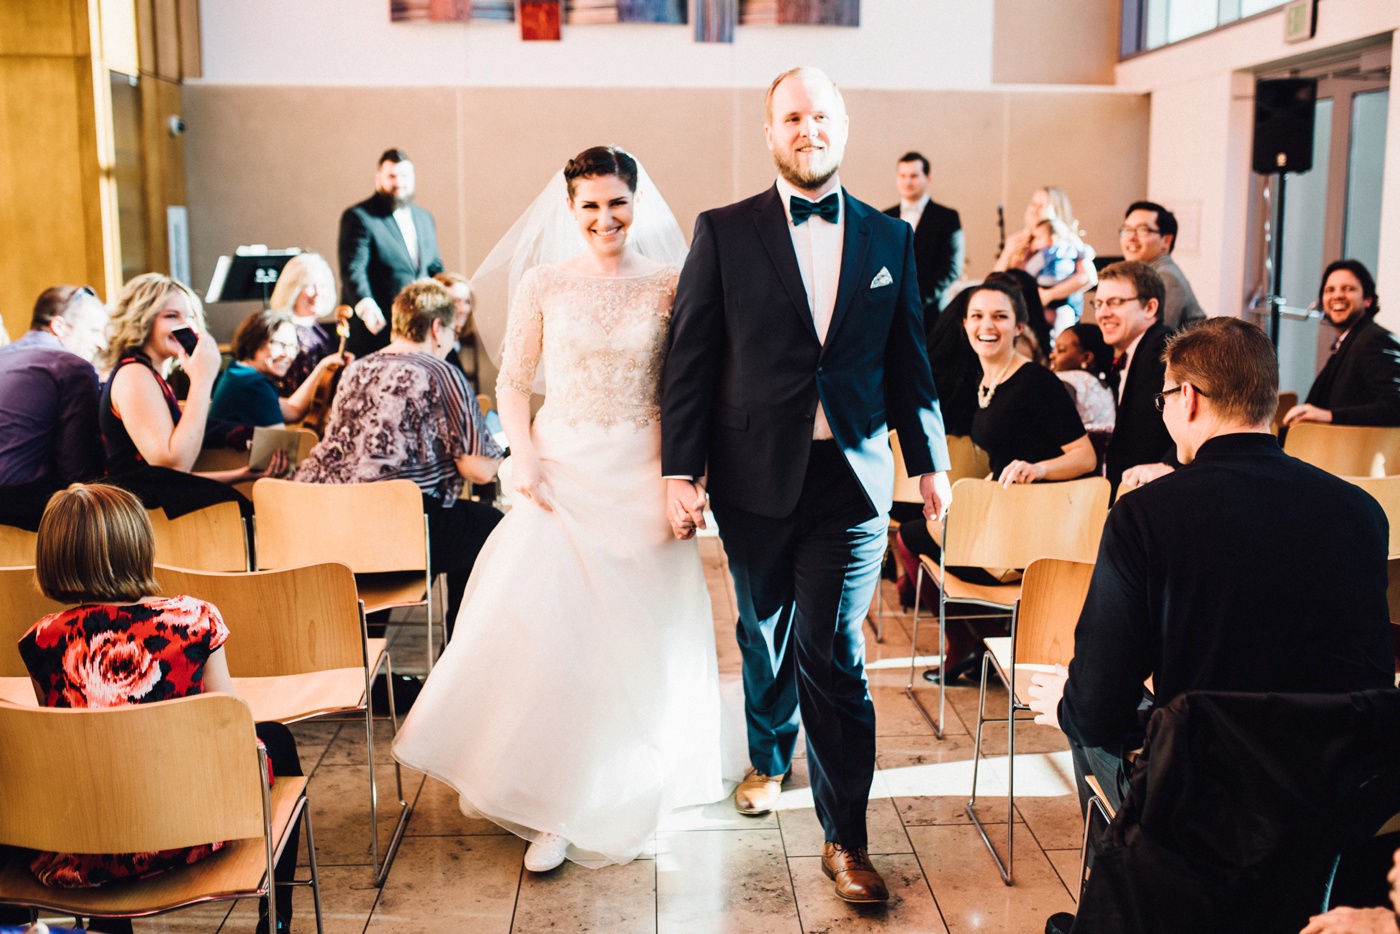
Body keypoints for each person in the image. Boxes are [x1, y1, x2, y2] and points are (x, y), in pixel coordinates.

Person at [393, 146, 734, 875]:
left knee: (640, 633)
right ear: (569, 207)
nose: (604, 218)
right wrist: (526, 458)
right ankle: (550, 805)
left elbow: (693, 387)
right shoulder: (544, 282)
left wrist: (689, 476)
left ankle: (631, 785)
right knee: (554, 632)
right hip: (562, 471)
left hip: (643, 471)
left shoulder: (672, 283)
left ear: (636, 201)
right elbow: (513, 384)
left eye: (617, 202)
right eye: (590, 205)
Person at [661, 68, 952, 905]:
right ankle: (767, 754)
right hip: (753, 477)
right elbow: (692, 361)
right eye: (793, 117)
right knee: (764, 631)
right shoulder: (723, 230)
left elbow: (911, 363)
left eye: (821, 116)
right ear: (769, 132)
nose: (808, 129)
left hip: (851, 482)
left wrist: (929, 460)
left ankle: (846, 840)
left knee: (832, 652)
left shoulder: (887, 239)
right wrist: (681, 471)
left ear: (844, 126)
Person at [1030, 318, 1396, 934]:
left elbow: (1098, 708)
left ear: (1189, 398)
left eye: (1163, 398)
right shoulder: (1362, 511)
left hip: (1201, 807)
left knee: (1078, 713)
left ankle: (1125, 911)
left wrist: (1070, 705)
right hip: (1337, 802)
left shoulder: (1146, 516)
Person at [16, 483, 301, 934]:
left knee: (93, 767)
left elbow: (68, 745)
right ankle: (277, 920)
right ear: (140, 546)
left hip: (82, 845)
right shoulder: (193, 619)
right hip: (187, 833)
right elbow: (232, 732)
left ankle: (107, 924)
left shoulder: (41, 640)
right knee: (276, 740)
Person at [897, 280, 1094, 679]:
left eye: (1000, 317)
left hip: (1033, 530)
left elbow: (1085, 456)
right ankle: (980, 645)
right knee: (915, 534)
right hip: (1006, 518)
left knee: (912, 537)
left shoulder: (1036, 382)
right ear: (965, 324)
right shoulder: (986, 380)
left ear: (1020, 326)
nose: (988, 325)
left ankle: (978, 644)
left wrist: (1038, 469)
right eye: (978, 316)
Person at [294, 279, 503, 627]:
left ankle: (370, 666)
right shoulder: (441, 371)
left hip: (324, 520)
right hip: (392, 530)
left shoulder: (355, 369)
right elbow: (478, 471)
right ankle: (456, 651)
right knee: (490, 526)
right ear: (437, 327)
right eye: (453, 331)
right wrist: (502, 454)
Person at [100, 274, 280, 518]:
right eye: (172, 316)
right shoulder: (134, 374)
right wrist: (202, 380)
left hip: (150, 501)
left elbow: (166, 475)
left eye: (191, 316)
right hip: (137, 517)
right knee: (241, 509)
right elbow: (173, 467)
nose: (187, 326)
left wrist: (242, 475)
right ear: (142, 320)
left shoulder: (150, 375)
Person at [0, 285, 108, 530]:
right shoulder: (74, 368)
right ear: (58, 326)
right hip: (24, 512)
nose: (101, 344)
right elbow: (77, 469)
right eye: (94, 331)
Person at [338, 148, 445, 357]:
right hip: (379, 328)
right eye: (392, 176)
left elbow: (434, 267)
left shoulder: (425, 218)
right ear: (379, 178)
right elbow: (353, 269)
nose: (398, 183)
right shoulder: (360, 217)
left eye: (404, 176)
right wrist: (366, 307)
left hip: (420, 327)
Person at [1283, 260, 1400, 428]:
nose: (1337, 295)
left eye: (1348, 289)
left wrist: (1329, 416)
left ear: (1367, 300)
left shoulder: (1374, 339)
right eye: (1329, 290)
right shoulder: (1347, 342)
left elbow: (1395, 407)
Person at [1093, 260, 1175, 492]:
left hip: (1155, 489)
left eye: (1115, 303)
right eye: (1098, 304)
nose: (1102, 314)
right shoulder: (1140, 349)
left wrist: (1168, 464)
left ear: (1150, 307)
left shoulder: (1161, 348)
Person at [209, 308, 348, 428]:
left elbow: (293, 410)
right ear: (252, 342)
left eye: (292, 347)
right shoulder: (253, 384)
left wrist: (324, 365)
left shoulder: (237, 372)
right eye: (279, 344)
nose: (287, 354)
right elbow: (281, 445)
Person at [994, 186, 1096, 335]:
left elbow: (1088, 277)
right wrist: (1006, 254)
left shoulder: (1068, 242)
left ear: (1056, 210)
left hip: (1058, 317)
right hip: (1024, 318)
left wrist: (1049, 295)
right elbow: (995, 280)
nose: (1034, 210)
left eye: (1041, 206)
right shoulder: (1020, 241)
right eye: (1032, 204)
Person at [884, 151, 965, 316]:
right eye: (903, 175)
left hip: (932, 311)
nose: (907, 181)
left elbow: (952, 268)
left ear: (928, 178)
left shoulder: (947, 217)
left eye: (913, 176)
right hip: (892, 311)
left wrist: (916, 300)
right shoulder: (885, 217)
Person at [1118, 200, 1206, 330]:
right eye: (1127, 229)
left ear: (1166, 240)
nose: (1131, 237)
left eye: (1142, 230)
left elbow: (1159, 338)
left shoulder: (1166, 277)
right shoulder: (1146, 274)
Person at [266, 252, 342, 395]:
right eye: (310, 286)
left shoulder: (317, 329)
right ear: (291, 289)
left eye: (323, 285)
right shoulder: (282, 330)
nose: (318, 293)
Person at [1049, 322, 1116, 436]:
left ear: (1086, 357)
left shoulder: (1065, 381)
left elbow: (1055, 427)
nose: (1052, 355)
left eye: (1060, 350)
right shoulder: (1104, 385)